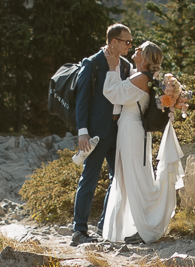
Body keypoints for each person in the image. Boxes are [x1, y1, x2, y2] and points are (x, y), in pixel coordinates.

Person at [100, 41, 187, 246]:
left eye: (139, 49)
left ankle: (146, 227)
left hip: (132, 131)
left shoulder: (141, 78)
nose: (135, 50)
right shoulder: (144, 77)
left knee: (135, 178)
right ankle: (137, 225)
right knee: (133, 177)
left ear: (146, 58)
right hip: (133, 130)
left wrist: (113, 67)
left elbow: (114, 93)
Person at [71, 23, 133, 245]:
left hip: (120, 130)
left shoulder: (126, 66)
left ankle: (103, 226)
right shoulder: (93, 63)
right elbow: (82, 99)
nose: (130, 45)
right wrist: (83, 132)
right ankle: (79, 231)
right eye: (126, 41)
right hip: (96, 132)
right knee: (89, 177)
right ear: (113, 42)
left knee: (118, 179)